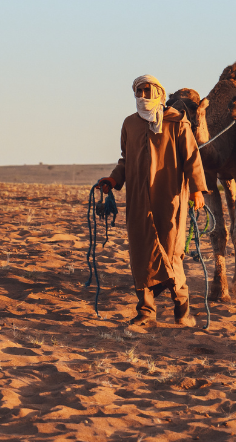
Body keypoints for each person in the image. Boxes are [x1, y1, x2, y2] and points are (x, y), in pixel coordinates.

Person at [95, 75, 208, 327]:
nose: (143, 96)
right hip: (137, 200)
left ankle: (182, 309)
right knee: (141, 254)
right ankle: (146, 311)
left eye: (148, 90)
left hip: (170, 199)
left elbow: (192, 158)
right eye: (139, 91)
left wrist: (197, 190)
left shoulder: (177, 123)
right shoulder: (130, 124)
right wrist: (113, 181)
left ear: (158, 92)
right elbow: (126, 159)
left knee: (172, 252)